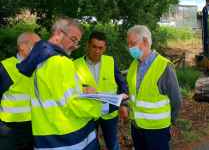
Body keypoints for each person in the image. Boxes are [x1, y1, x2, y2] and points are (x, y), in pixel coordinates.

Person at [16, 17, 125, 150]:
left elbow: (58, 94)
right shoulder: (61, 62)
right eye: (73, 39)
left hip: (47, 137)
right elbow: (74, 104)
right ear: (58, 34)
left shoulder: (39, 60)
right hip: (72, 139)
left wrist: (81, 88)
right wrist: (112, 104)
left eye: (77, 42)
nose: (74, 45)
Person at [125, 25, 182, 150]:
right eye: (128, 44)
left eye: (132, 43)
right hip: (137, 128)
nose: (129, 47)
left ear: (145, 42)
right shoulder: (133, 66)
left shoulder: (164, 66)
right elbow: (133, 95)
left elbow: (176, 101)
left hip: (157, 131)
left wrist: (169, 122)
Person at [74, 31, 128, 150]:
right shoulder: (75, 65)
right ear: (88, 45)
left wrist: (124, 104)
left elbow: (122, 83)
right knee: (90, 145)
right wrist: (82, 88)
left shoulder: (110, 61)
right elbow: (70, 89)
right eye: (94, 47)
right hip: (88, 114)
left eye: (100, 48)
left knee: (113, 144)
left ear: (105, 48)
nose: (97, 51)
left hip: (109, 112)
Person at [0, 32, 40, 150]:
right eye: (36, 45)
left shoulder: (39, 68)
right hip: (9, 130)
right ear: (22, 46)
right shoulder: (6, 67)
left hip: (34, 128)